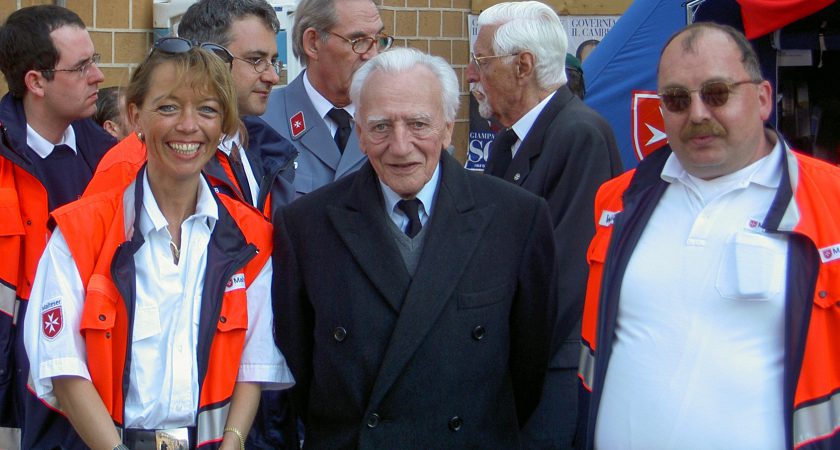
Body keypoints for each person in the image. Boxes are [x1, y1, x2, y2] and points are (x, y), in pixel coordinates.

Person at [273, 47, 558, 449]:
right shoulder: (305, 226)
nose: (401, 145)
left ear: (446, 127)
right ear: (358, 132)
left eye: (418, 124)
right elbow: (300, 365)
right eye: (381, 127)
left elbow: (529, 368)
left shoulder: (517, 219)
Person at [578, 22, 840, 449]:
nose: (697, 114)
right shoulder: (618, 200)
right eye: (677, 99)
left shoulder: (832, 202)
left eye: (717, 93)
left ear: (762, 99)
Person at [23, 42, 293, 450]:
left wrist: (234, 441)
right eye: (168, 107)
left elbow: (253, 365)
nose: (188, 126)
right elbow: (63, 368)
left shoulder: (252, 237)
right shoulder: (80, 230)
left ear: (223, 125)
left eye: (207, 110)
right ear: (135, 117)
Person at [466, 3, 622, 448]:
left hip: (551, 371)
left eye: (481, 62)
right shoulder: (508, 144)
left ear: (523, 66)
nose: (472, 76)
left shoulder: (579, 135)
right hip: (515, 366)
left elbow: (565, 275)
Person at [0, 5, 116, 448]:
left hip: (87, 399)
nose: (99, 76)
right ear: (36, 82)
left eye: (96, 60)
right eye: (82, 66)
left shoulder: (113, 162)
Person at [261, 0, 393, 198]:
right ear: (313, 43)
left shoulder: (396, 121)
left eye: (379, 40)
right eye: (358, 41)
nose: (373, 55)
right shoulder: (261, 123)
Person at [178, 0, 298, 217]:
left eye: (273, 61)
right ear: (209, 57)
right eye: (256, 60)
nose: (272, 76)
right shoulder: (150, 160)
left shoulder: (268, 149)